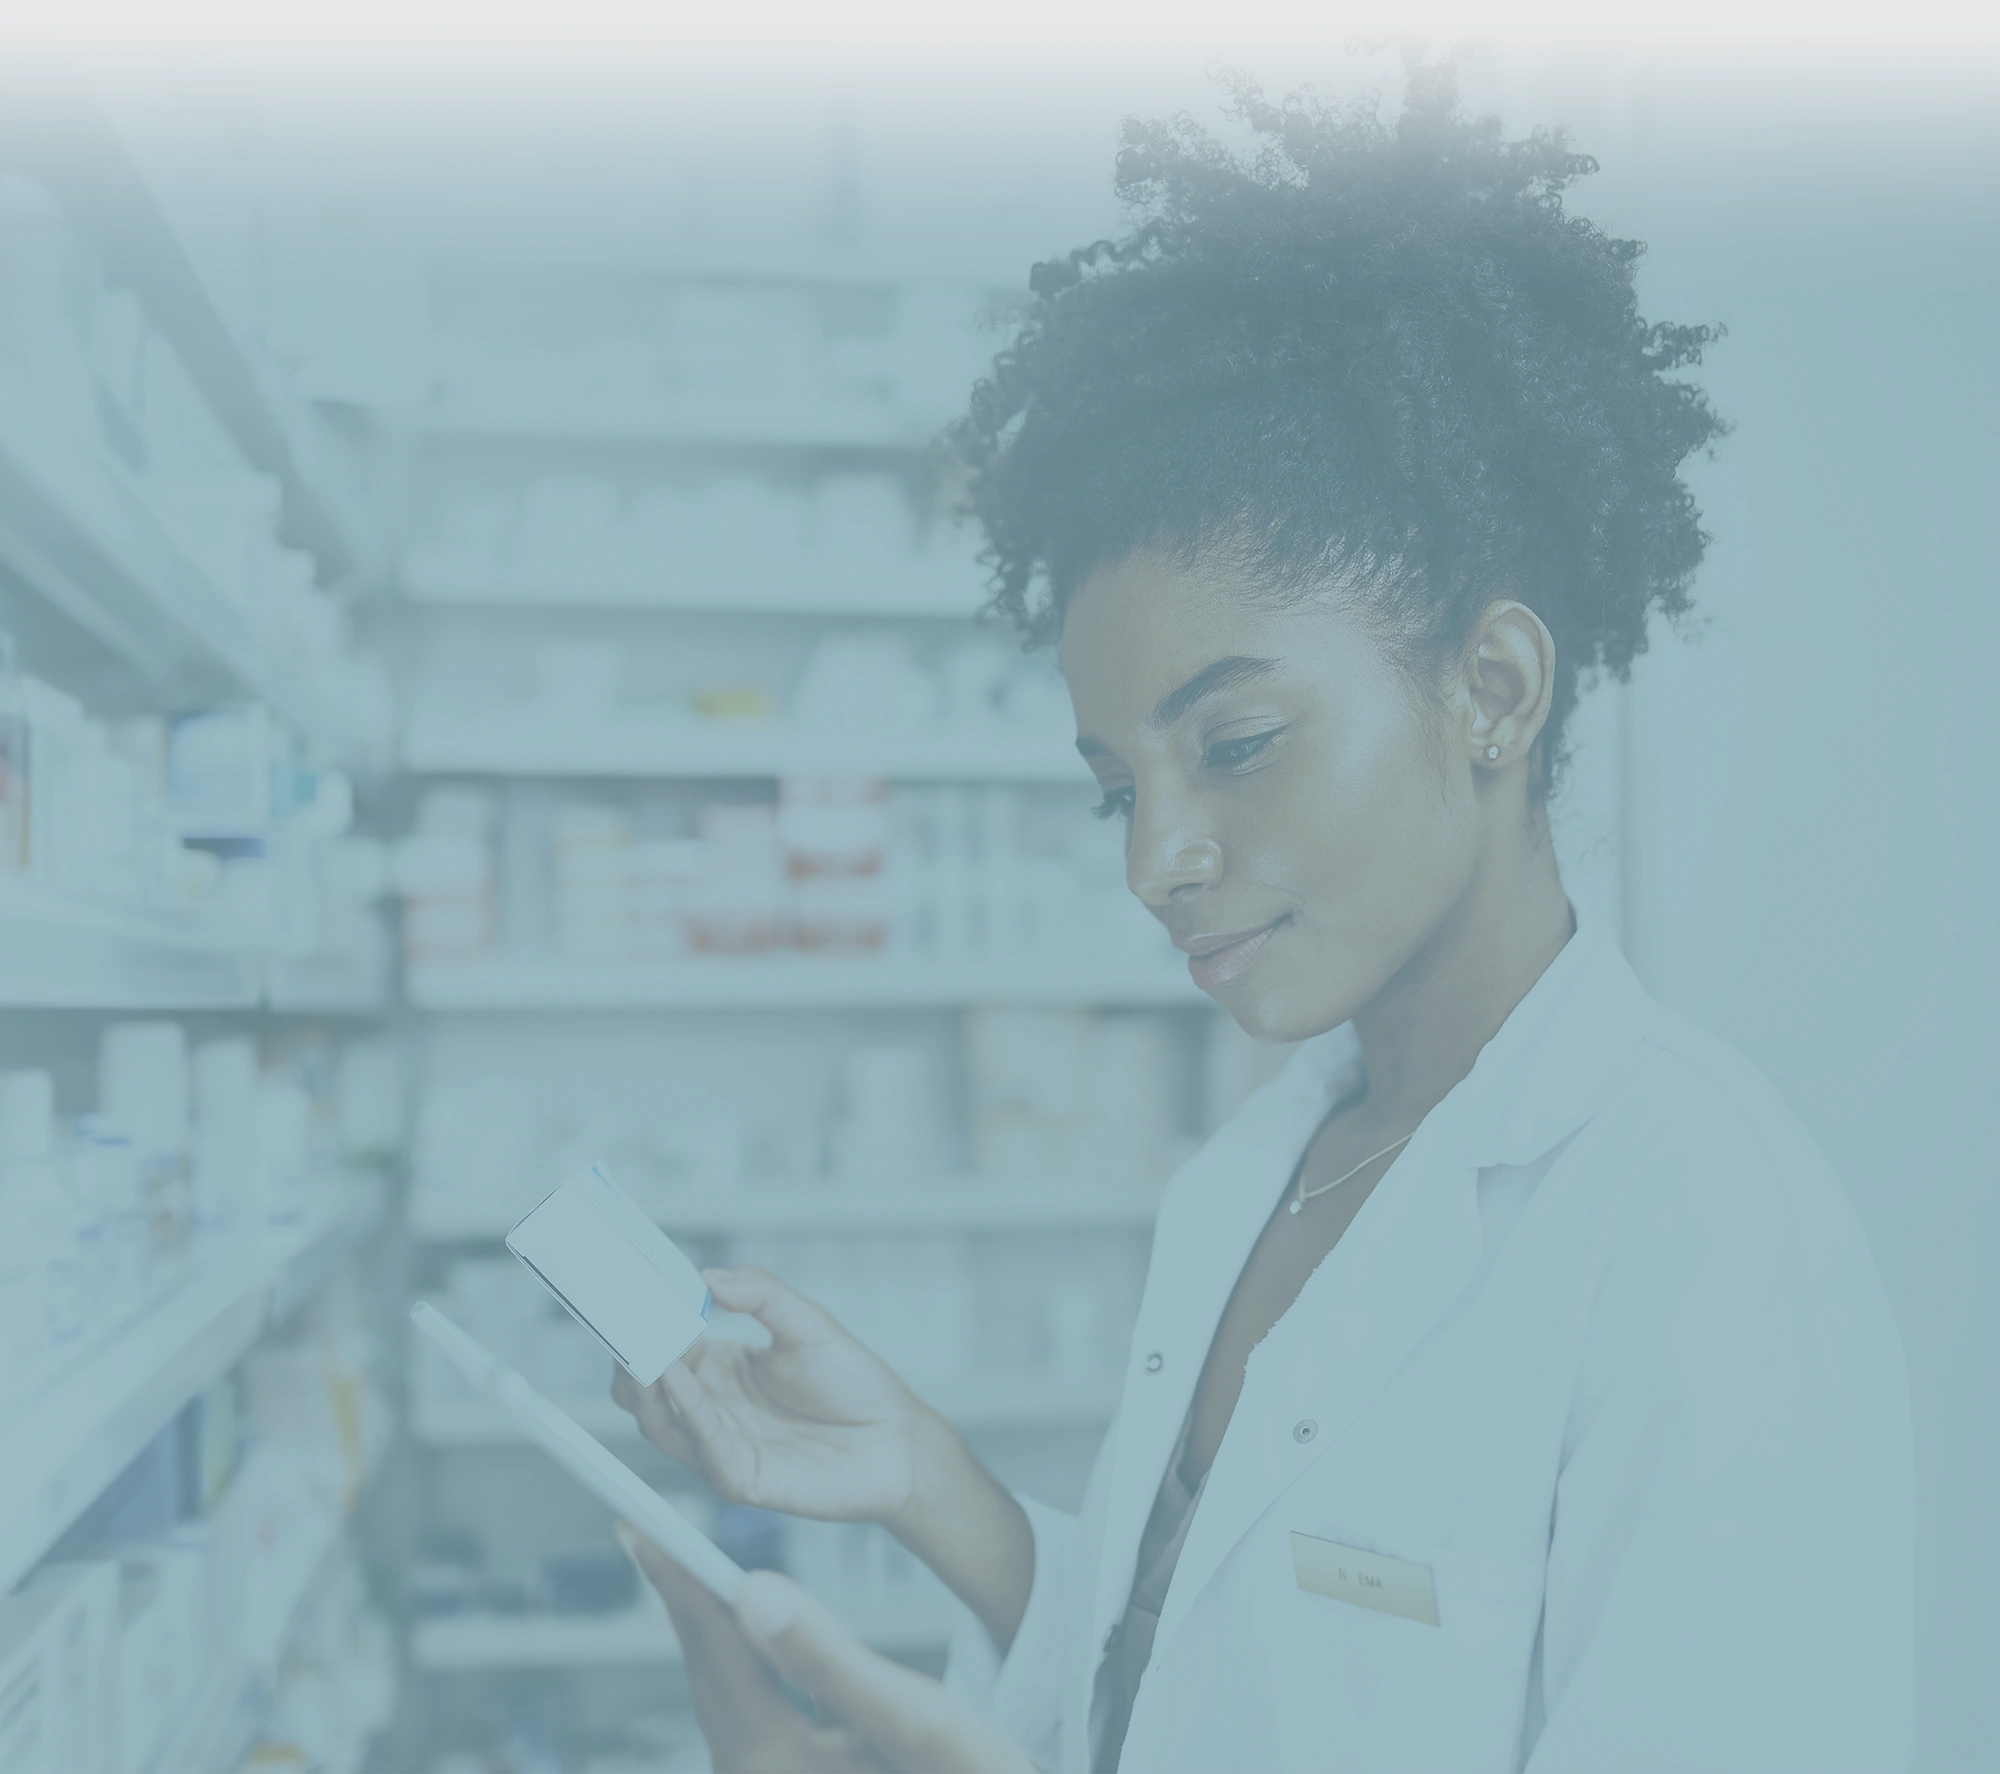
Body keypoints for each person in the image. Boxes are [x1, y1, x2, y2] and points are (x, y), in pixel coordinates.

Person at [612, 64, 1914, 1773]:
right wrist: (926, 1479)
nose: (1155, 859)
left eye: (1233, 746)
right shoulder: (1269, 1163)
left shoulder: (1703, 1232)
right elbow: (1207, 1670)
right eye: (1116, 785)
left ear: (1493, 689)